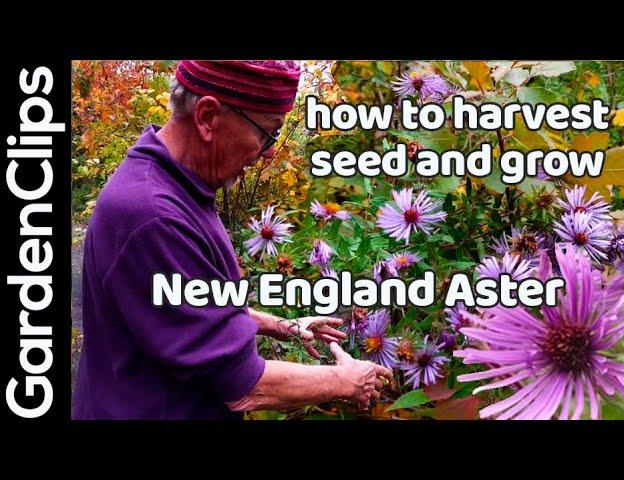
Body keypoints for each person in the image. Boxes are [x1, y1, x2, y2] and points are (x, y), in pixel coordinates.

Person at [72, 60, 392, 420]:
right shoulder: (152, 216)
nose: (271, 151)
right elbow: (245, 386)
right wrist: (346, 381)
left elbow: (181, 307)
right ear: (208, 117)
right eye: (267, 132)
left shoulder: (174, 183)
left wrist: (279, 326)